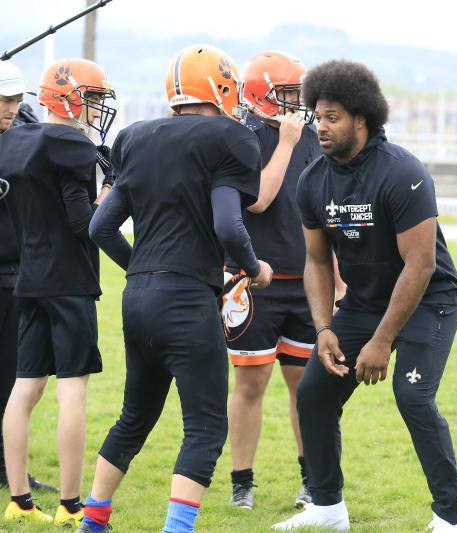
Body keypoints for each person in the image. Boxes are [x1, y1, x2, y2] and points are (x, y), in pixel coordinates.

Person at [77, 44, 271, 533]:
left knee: (134, 416)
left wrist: (140, 268)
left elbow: (101, 227)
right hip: (186, 300)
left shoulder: (136, 137)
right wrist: (254, 266)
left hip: (138, 298)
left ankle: (93, 521)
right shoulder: (230, 139)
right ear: (223, 88)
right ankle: (176, 529)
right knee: (206, 426)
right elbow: (229, 226)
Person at [272, 60, 457, 532]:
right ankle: (327, 508)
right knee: (315, 393)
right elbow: (317, 262)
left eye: (332, 117)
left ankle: (451, 520)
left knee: (413, 397)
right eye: (317, 116)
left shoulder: (403, 173)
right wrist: (323, 329)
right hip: (364, 301)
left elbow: (420, 266)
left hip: (428, 297)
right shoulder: (312, 180)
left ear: (361, 118)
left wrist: (381, 342)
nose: (320, 126)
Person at [0, 57, 117, 526]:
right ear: (69, 97)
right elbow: (82, 223)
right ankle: (71, 505)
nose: (95, 108)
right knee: (72, 392)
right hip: (68, 281)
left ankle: (20, 500)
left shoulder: (15, 139)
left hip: (29, 277)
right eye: (90, 99)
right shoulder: (69, 143)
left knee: (24, 389)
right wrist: (111, 190)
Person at [222, 51, 322, 511]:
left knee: (306, 385)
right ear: (262, 92)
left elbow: (324, 216)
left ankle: (312, 480)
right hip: (254, 278)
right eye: (287, 93)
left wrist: (337, 280)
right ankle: (242, 482)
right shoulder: (241, 138)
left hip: (306, 280)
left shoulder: (312, 138)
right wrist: (283, 144)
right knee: (250, 383)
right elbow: (259, 200)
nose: (296, 103)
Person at [0, 60, 58, 496]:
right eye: (4, 100)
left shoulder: (26, 138)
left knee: (15, 378)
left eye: (17, 101)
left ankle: (9, 469)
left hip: (20, 275)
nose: (11, 108)